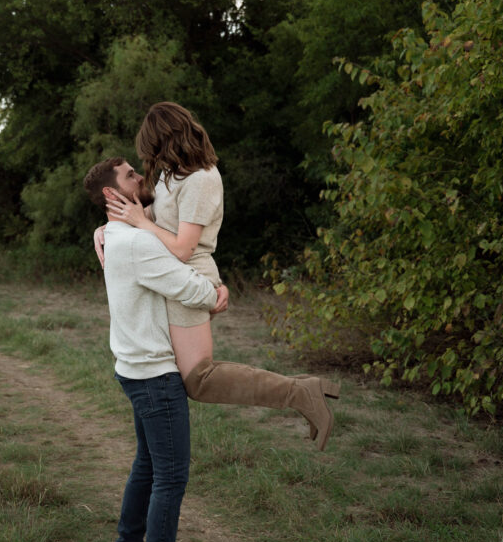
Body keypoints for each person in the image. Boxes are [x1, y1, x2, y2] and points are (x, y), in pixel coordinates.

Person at [96, 102, 340, 450]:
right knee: (191, 378)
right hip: (172, 276)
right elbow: (150, 215)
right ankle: (302, 391)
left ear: (166, 138)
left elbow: (182, 247)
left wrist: (141, 223)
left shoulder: (202, 180)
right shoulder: (172, 174)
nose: (149, 158)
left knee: (199, 380)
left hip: (189, 273)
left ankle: (301, 392)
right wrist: (105, 227)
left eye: (151, 146)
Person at [83, 156, 228, 542]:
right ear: (112, 196)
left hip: (133, 368)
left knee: (148, 465)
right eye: (130, 176)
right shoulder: (135, 245)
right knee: (171, 477)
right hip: (154, 377)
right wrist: (217, 294)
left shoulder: (122, 237)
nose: (140, 177)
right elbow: (190, 288)